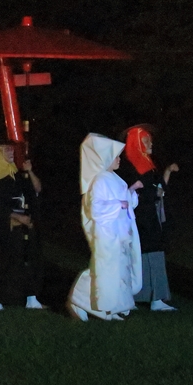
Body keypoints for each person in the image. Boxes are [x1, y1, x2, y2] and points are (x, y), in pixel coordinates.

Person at [67, 134, 143, 321]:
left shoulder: (115, 178)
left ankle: (111, 308)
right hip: (108, 235)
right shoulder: (100, 180)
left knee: (118, 271)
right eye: (116, 156)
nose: (119, 159)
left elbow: (125, 202)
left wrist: (131, 192)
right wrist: (119, 205)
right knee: (104, 271)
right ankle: (79, 300)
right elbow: (96, 208)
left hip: (119, 234)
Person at [121, 125, 178, 311]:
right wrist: (153, 193)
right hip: (141, 218)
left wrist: (167, 172)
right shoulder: (131, 167)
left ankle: (150, 296)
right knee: (146, 253)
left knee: (151, 252)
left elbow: (158, 189)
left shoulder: (148, 165)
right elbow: (138, 192)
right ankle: (154, 298)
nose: (150, 144)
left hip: (150, 217)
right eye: (146, 141)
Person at [0, 143, 45, 310]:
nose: (10, 151)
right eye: (6, 149)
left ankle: (31, 298)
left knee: (29, 261)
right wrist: (18, 217)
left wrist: (29, 171)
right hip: (6, 229)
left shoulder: (17, 175)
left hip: (24, 228)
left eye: (11, 148)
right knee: (3, 262)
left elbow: (37, 188)